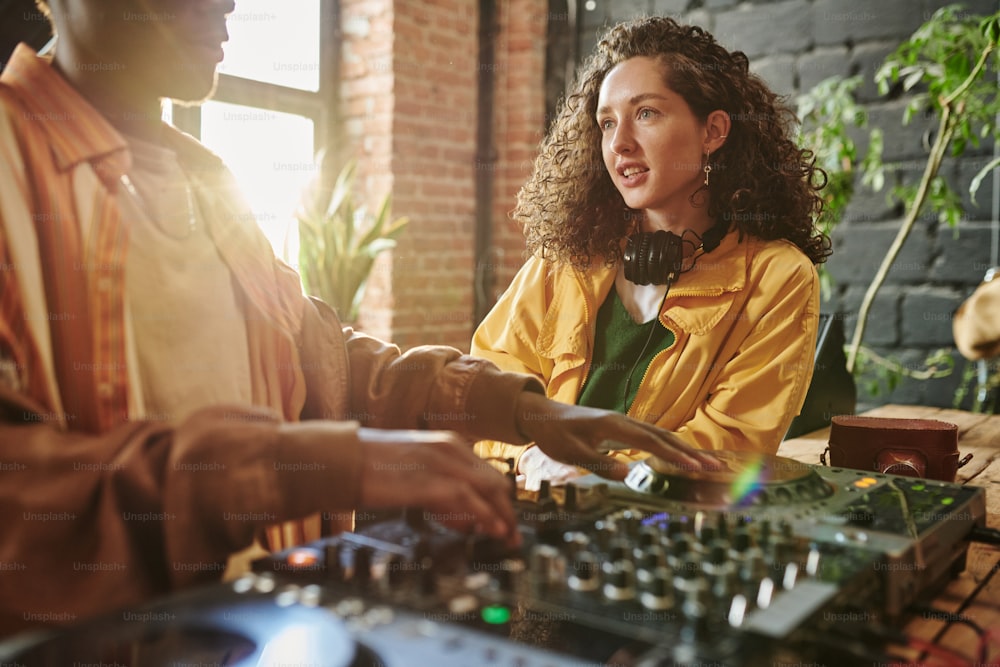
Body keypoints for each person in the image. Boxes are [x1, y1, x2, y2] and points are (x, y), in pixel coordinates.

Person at [0, 0, 713, 637]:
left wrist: (525, 411)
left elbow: (323, 357)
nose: (230, 5)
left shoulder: (208, 181)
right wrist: (319, 465)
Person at [473, 16, 830, 489]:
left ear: (714, 131)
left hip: (661, 528)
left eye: (646, 113)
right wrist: (532, 456)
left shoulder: (780, 278)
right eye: (606, 122)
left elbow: (731, 442)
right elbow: (488, 383)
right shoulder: (565, 259)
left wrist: (586, 471)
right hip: (538, 515)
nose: (619, 143)